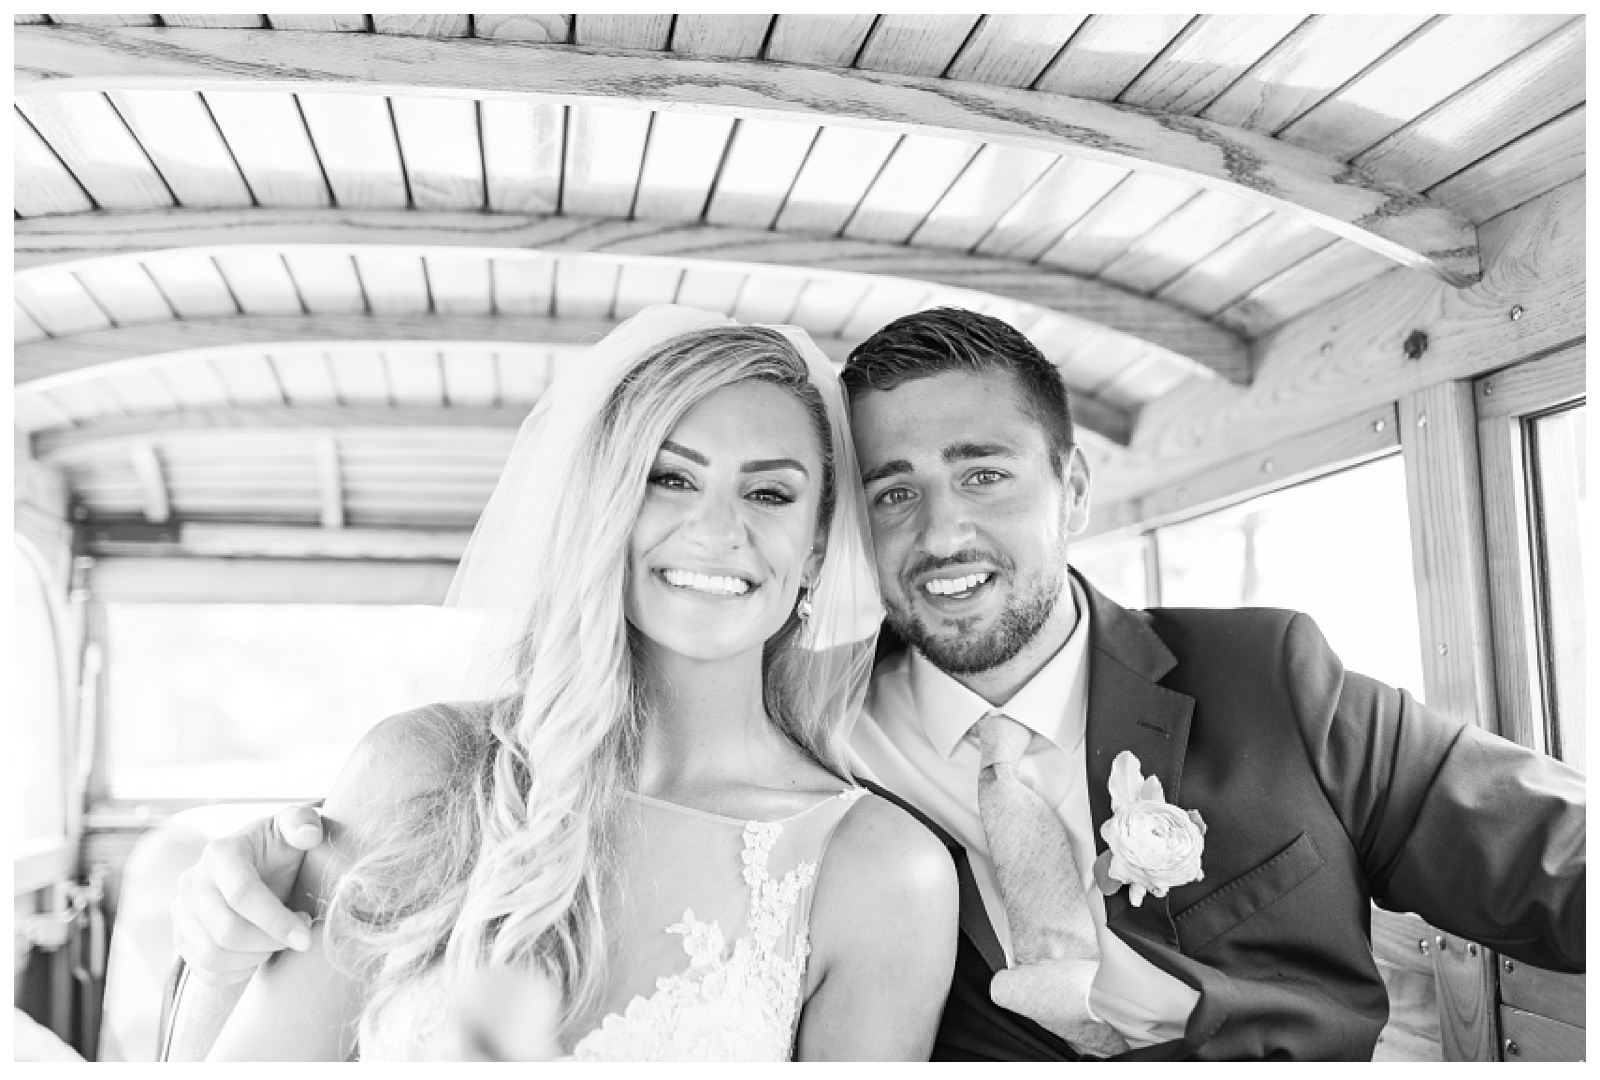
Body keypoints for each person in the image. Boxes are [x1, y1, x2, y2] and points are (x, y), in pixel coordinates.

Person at [175, 308, 1585, 1061]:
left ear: (1070, 485)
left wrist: (1181, 1013)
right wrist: (234, 920)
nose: (944, 532)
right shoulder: (821, 728)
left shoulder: (1274, 676)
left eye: (984, 474)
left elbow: (1559, 865)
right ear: (851, 533)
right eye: (895, 490)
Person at [195, 306, 958, 1060]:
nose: (719, 529)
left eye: (768, 493)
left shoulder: (883, 874)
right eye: (670, 477)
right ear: (605, 506)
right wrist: (213, 966)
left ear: (818, 549)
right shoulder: (412, 772)